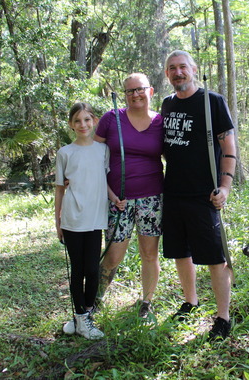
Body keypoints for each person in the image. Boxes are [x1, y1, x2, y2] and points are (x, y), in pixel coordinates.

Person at [161, 50, 237, 339]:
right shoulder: (167, 104)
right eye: (172, 68)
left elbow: (228, 149)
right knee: (181, 253)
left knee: (215, 257)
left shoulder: (212, 102)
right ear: (167, 74)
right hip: (173, 193)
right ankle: (190, 302)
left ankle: (222, 317)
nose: (178, 72)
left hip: (204, 195)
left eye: (182, 67)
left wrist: (225, 187)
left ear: (193, 69)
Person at [94, 73, 164, 317]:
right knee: (113, 255)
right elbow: (92, 153)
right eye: (130, 91)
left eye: (140, 89)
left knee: (149, 253)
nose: (135, 94)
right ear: (124, 95)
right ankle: (95, 298)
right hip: (118, 200)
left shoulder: (160, 123)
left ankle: (146, 302)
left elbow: (176, 157)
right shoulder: (111, 119)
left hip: (152, 198)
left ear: (151, 91)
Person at [55, 102, 109, 340]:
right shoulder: (65, 152)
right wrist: (57, 221)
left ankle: (84, 315)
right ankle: (79, 316)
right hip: (73, 218)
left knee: (92, 269)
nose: (83, 124)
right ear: (71, 125)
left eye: (87, 119)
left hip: (96, 217)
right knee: (78, 270)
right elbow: (59, 189)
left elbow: (103, 180)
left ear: (94, 120)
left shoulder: (102, 149)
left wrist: (115, 198)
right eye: (77, 121)